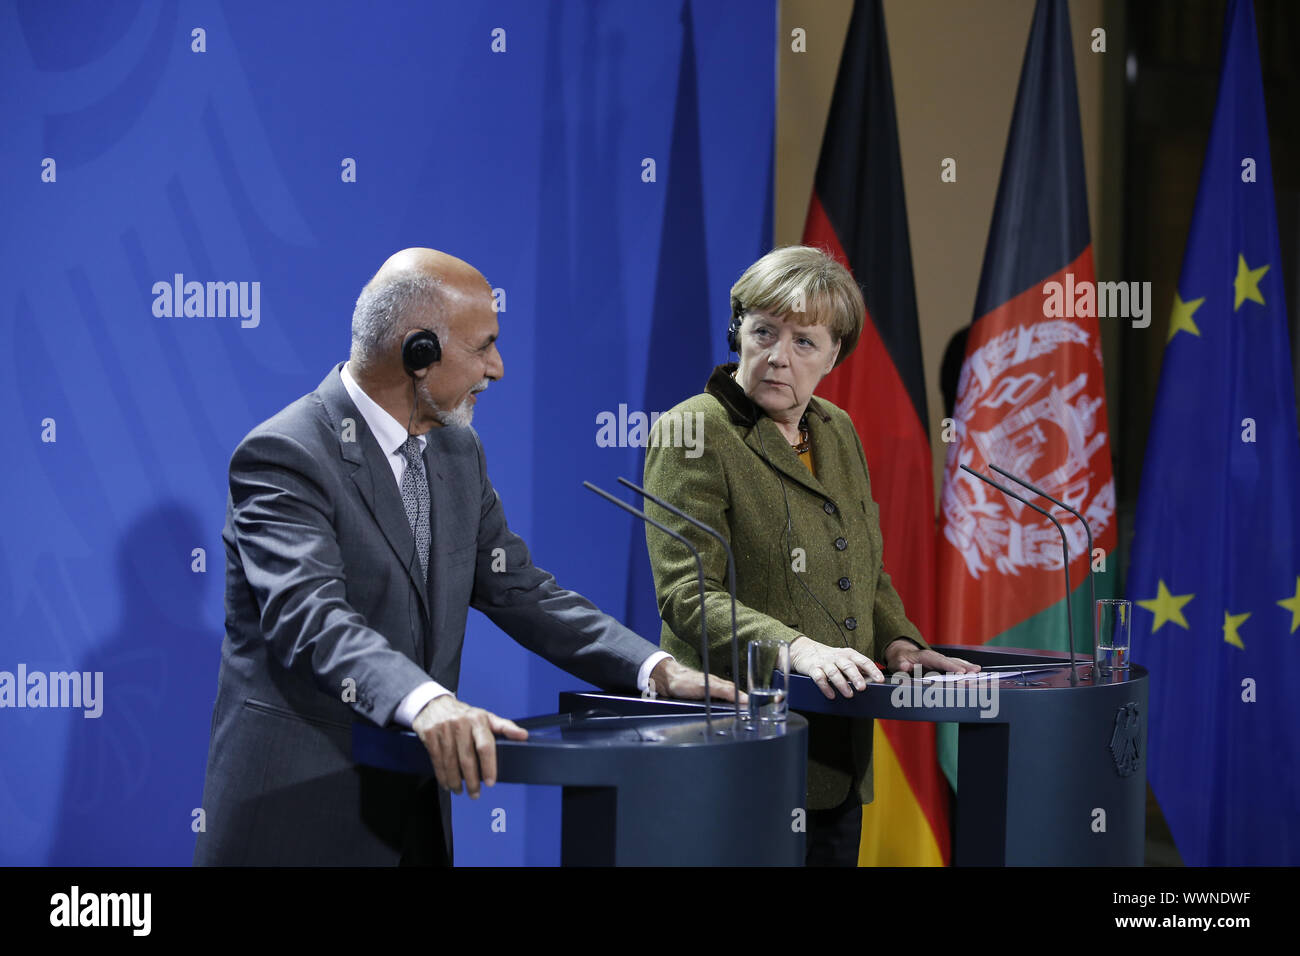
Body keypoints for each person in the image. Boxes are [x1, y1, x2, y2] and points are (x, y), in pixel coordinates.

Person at [194, 248, 733, 866]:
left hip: (414, 815)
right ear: (418, 353)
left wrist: (653, 671)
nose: (497, 368)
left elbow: (518, 588)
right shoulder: (287, 455)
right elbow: (310, 617)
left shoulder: (456, 450)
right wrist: (428, 702)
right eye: (483, 347)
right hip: (302, 813)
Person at [642, 245, 978, 867]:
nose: (777, 356)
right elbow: (687, 595)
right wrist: (796, 649)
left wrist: (900, 642)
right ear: (736, 331)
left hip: (834, 755)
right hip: (738, 748)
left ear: (834, 355)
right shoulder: (693, 432)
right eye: (764, 332)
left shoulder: (837, 430)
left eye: (804, 342)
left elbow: (863, 567)